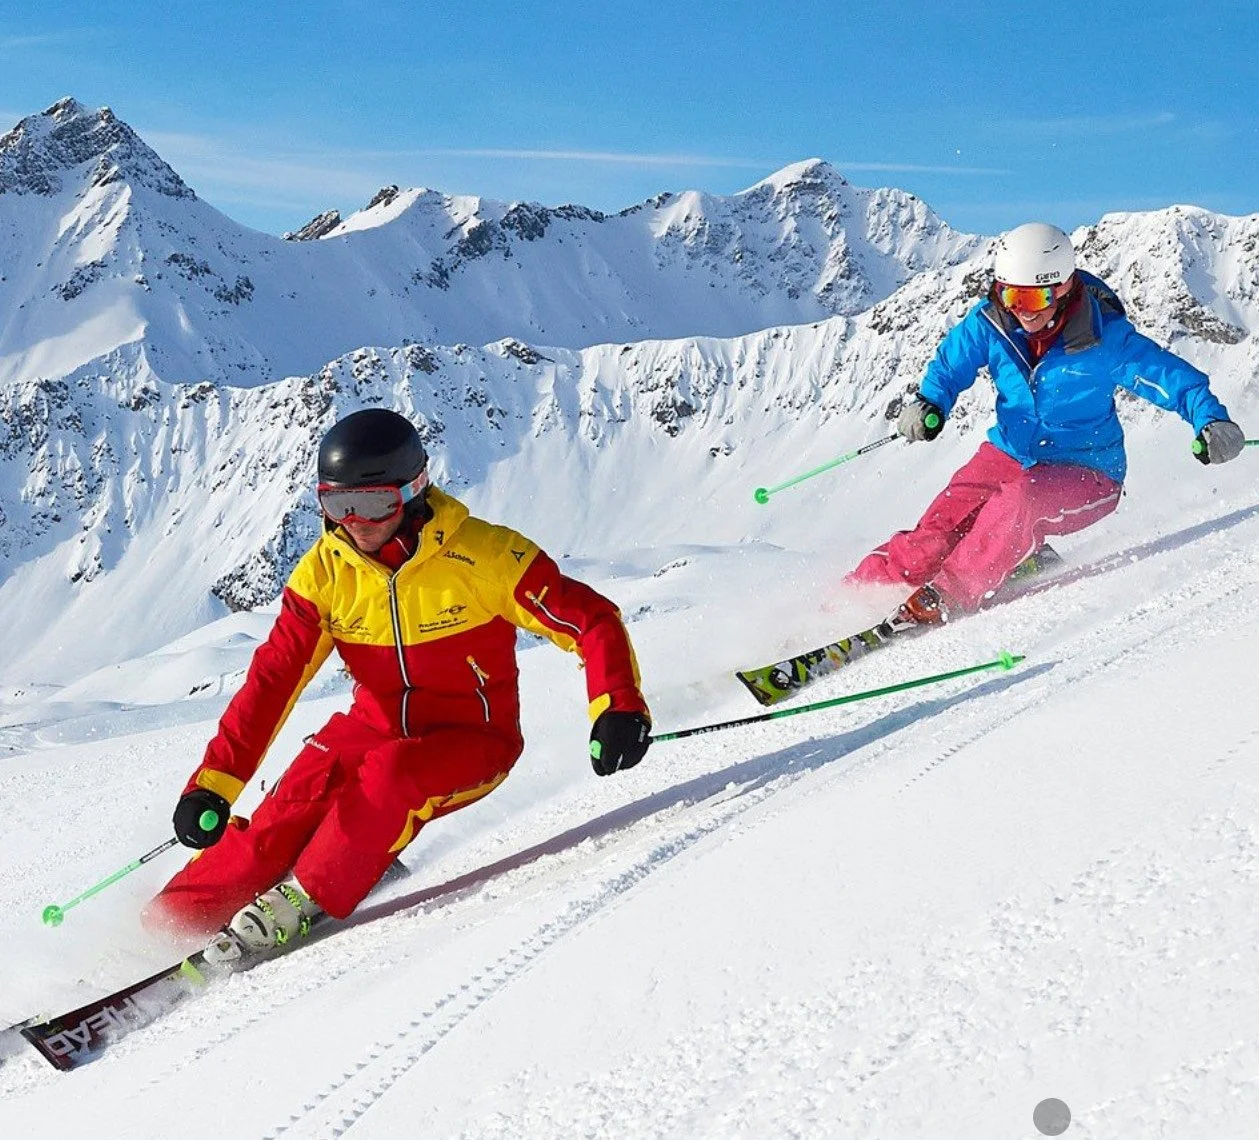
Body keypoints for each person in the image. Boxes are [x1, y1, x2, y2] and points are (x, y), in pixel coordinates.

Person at [146, 408, 652, 960]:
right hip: (369, 729)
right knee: (284, 813)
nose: (355, 523)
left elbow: (590, 619)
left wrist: (617, 705)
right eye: (338, 505)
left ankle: (301, 900)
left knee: (391, 777)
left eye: (373, 504)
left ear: (413, 491)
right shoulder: (325, 575)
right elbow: (271, 682)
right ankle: (159, 931)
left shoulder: (483, 556)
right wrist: (213, 785)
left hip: (471, 739)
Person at [848, 221, 1245, 626]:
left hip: (1088, 471)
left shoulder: (1105, 341)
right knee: (937, 529)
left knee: (1021, 502)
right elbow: (953, 361)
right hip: (1008, 453)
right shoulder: (992, 323)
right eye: (1011, 295)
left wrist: (1210, 420)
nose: (1022, 310)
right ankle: (856, 594)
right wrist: (930, 400)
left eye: (1034, 297)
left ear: (1063, 287)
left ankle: (949, 595)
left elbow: (1173, 380)